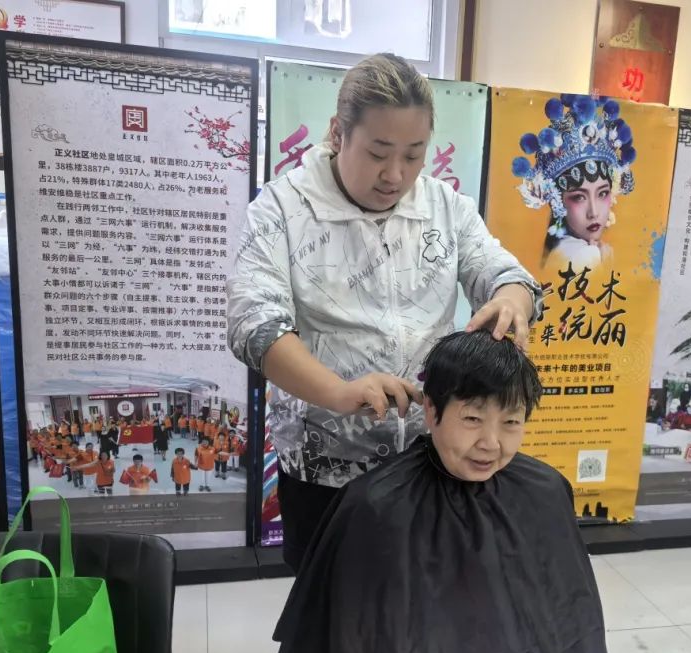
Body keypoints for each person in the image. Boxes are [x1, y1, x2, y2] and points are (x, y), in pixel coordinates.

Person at [272, 331, 635, 653]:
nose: (491, 443)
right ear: (432, 411)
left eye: (511, 422)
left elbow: (572, 635)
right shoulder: (375, 508)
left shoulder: (545, 492)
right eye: (471, 419)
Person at [227, 53, 541, 572]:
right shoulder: (282, 209)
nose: (396, 175)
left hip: (430, 458)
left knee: (426, 592)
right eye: (378, 153)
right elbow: (254, 327)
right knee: (334, 600)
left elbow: (504, 273)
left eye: (414, 155)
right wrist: (340, 392)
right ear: (338, 133)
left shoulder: (444, 206)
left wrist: (511, 298)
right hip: (326, 467)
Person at [509, 96, 635, 278]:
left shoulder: (562, 249)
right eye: (579, 197)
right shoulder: (585, 255)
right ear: (558, 201)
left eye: (602, 193)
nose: (593, 213)